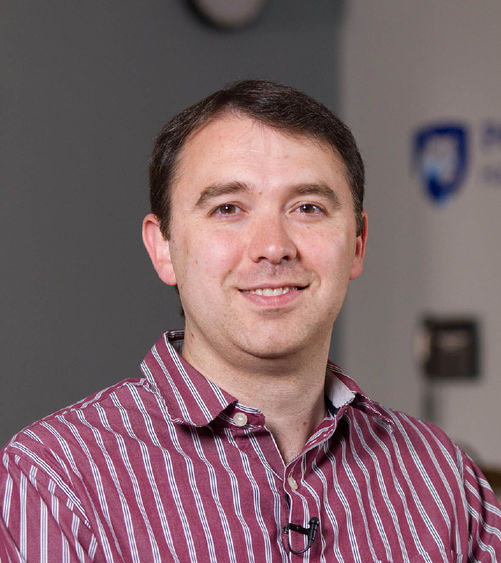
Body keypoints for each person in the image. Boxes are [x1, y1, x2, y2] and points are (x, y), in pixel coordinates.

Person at [1, 80, 500, 562]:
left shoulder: (443, 477)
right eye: (228, 209)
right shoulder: (56, 479)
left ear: (357, 243)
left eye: (308, 207)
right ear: (164, 248)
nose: (272, 248)